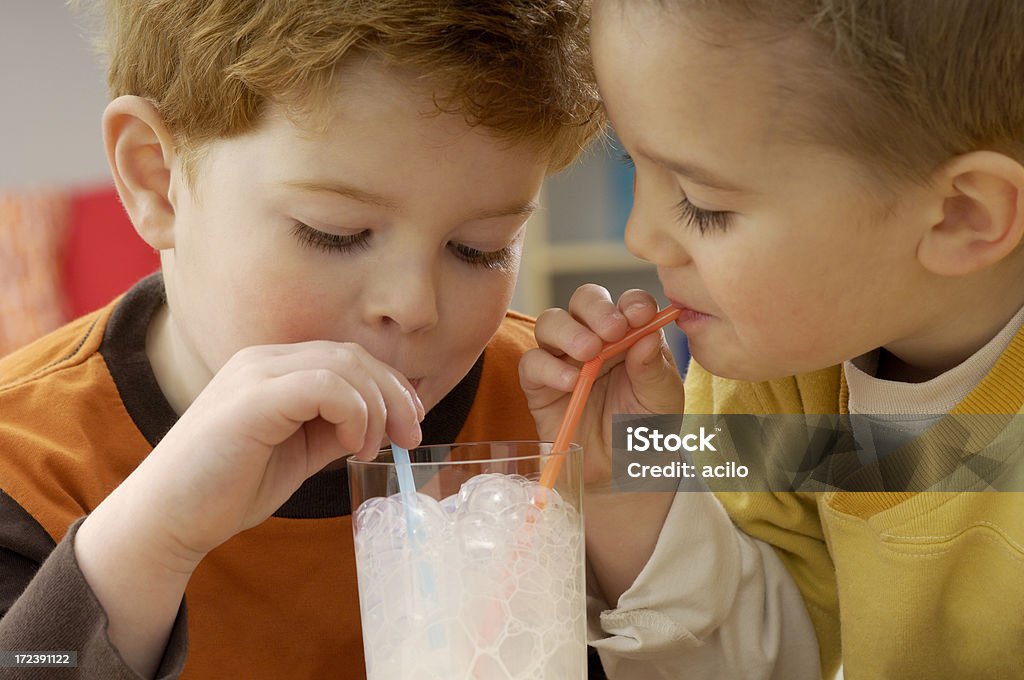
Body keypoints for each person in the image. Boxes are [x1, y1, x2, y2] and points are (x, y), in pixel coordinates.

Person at [0, 1, 602, 678]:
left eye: (480, 249)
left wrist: (653, 499)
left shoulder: (577, 403)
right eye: (334, 233)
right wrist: (152, 536)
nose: (413, 307)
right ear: (157, 181)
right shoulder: (18, 465)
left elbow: (739, 507)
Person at [520, 1, 1024, 678]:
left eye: (704, 203)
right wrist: (636, 486)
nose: (638, 236)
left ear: (962, 216)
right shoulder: (775, 371)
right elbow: (776, 661)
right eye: (635, 163)